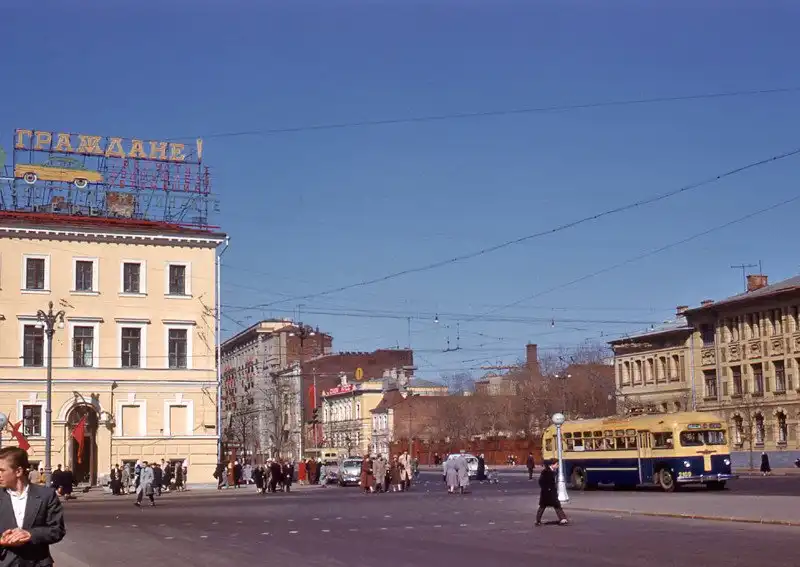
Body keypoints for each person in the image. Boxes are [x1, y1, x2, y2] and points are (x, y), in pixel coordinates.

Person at [0, 446, 66, 565]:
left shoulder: (46, 495)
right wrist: (1, 540)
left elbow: (57, 530)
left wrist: (30, 534)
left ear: (18, 471)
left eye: (2, 470)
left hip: (37, 562)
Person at [536, 459, 568, 526]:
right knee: (543, 506)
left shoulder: (553, 471)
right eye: (557, 464)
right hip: (546, 493)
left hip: (552, 492)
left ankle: (563, 519)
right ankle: (538, 521)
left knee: (557, 505)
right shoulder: (545, 471)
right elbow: (541, 481)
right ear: (552, 465)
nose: (558, 466)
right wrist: (547, 489)